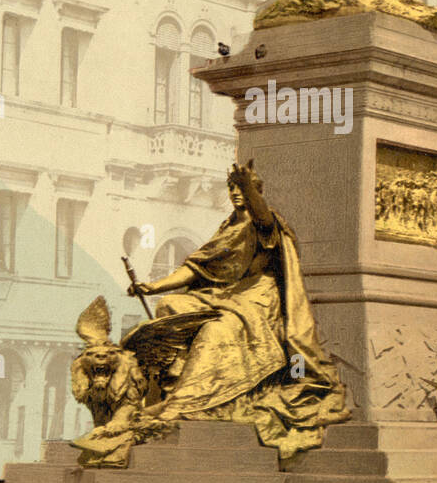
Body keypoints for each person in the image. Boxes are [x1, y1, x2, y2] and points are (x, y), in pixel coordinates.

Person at [123, 160, 349, 456]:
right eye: (231, 187)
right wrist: (153, 287)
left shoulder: (267, 224)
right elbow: (197, 268)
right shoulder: (228, 227)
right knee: (170, 305)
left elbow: (262, 216)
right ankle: (169, 387)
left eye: (241, 187)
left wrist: (249, 189)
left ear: (256, 191)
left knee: (219, 329)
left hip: (257, 298)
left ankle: (189, 401)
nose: (235, 192)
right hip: (226, 294)